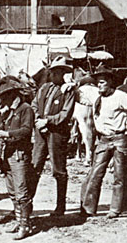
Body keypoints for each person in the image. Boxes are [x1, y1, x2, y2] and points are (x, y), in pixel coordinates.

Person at [80, 66, 127, 219]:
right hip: (103, 139)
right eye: (97, 83)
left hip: (119, 139)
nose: (99, 85)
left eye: (102, 82)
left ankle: (116, 209)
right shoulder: (97, 98)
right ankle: (88, 208)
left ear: (110, 82)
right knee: (95, 173)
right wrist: (70, 87)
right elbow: (81, 98)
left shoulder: (120, 96)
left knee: (120, 175)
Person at [0, 80, 35, 240]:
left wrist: (6, 134)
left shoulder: (25, 109)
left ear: (12, 95)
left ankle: (25, 225)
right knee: (13, 192)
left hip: (19, 155)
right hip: (8, 156)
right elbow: (1, 128)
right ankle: (18, 220)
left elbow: (26, 131)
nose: (2, 100)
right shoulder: (7, 112)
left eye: (4, 96)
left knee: (22, 192)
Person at [30, 56, 76, 216]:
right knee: (35, 166)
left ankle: (60, 206)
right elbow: (34, 104)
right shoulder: (44, 88)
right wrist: (37, 120)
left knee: (59, 170)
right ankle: (27, 206)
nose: (56, 75)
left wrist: (47, 121)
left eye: (60, 72)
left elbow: (65, 114)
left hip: (57, 133)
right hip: (40, 133)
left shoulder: (68, 91)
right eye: (54, 72)